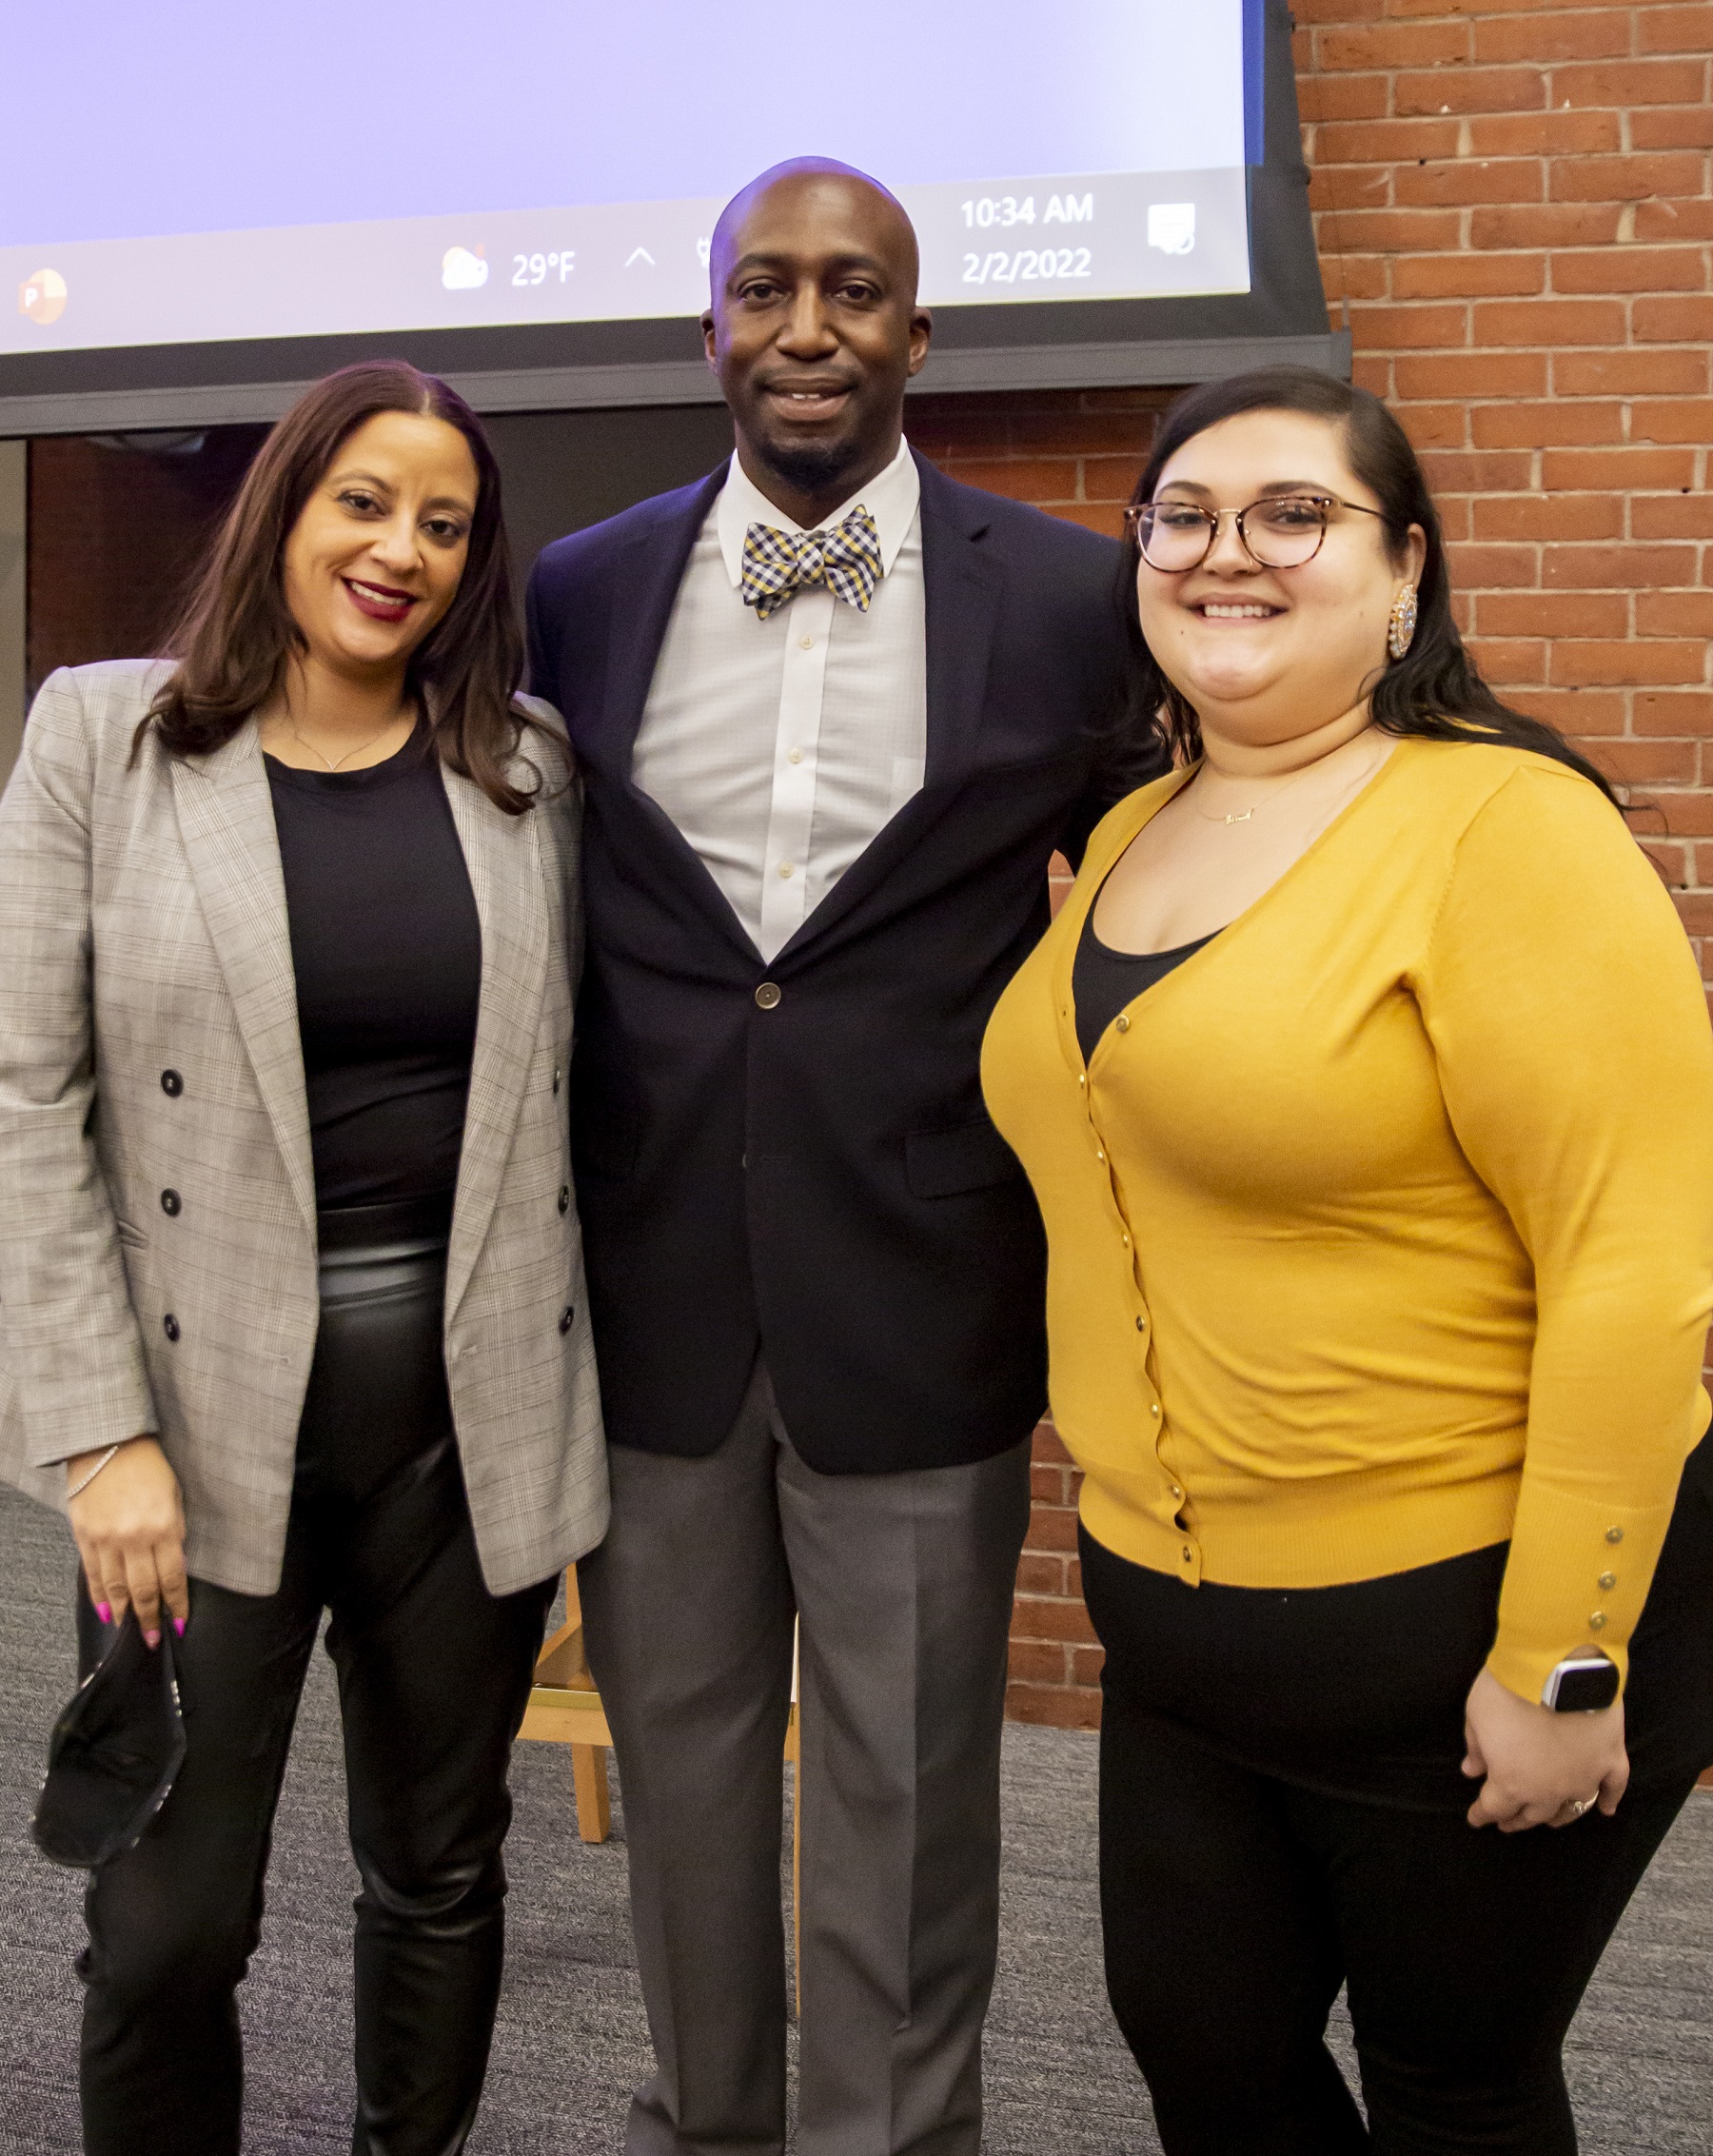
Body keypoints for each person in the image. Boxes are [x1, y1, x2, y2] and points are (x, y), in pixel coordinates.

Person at [981, 364, 1713, 2155]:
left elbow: (1640, 1265)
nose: (1231, 553)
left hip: (1465, 1605)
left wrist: (1564, 1660)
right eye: (1185, 515)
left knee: (1452, 2087)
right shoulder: (1139, 828)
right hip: (1177, 1616)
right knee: (1202, 2048)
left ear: (1406, 574)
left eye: (1294, 513)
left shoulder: (1506, 827)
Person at [525, 159, 1152, 2156]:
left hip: (923, 1285)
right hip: (653, 1295)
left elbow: (1167, 901)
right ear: (706, 325)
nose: (809, 327)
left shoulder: (1063, 597)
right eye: (766, 290)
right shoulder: (580, 584)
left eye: (856, 291)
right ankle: (709, 2124)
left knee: (904, 1798)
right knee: (688, 1786)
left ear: (919, 334)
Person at [0, 360, 607, 2156]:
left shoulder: (527, 767)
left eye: (443, 522)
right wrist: (97, 1433)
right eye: (363, 500)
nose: (398, 549)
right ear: (284, 505)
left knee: (436, 1870)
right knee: (170, 1921)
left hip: (464, 1413)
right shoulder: (102, 737)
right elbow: (25, 1096)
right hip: (191, 1427)